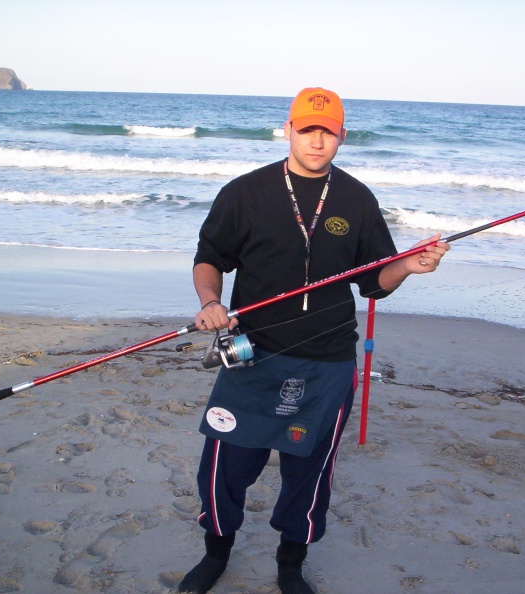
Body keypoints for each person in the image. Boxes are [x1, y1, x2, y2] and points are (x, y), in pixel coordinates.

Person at [179, 87, 449, 594]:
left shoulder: (356, 198)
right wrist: (210, 301)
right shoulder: (246, 192)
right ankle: (215, 555)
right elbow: (209, 256)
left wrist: (410, 265)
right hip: (252, 354)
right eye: (307, 129)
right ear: (288, 130)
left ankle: (290, 564)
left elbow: (375, 281)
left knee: (309, 471)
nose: (317, 140)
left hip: (327, 364)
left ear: (341, 136)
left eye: (327, 131)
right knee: (224, 463)